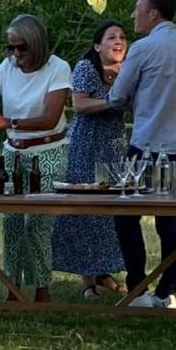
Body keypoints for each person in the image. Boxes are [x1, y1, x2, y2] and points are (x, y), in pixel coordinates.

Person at [107, 0, 176, 308]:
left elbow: (117, 98)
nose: (133, 15)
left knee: (125, 216)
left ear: (154, 13)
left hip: (145, 146)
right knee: (170, 220)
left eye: (138, 9)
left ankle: (137, 287)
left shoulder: (143, 48)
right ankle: (168, 290)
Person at [0, 14, 72, 303]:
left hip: (49, 150)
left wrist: (10, 122)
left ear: (37, 44)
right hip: (13, 152)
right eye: (11, 48)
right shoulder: (7, 66)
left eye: (22, 48)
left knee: (37, 222)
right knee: (12, 220)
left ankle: (42, 287)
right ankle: (12, 286)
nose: (16, 54)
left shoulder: (58, 68)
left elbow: (50, 117)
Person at [51, 21, 129, 298]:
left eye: (122, 37)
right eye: (111, 37)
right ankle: (87, 281)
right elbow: (80, 105)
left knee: (111, 211)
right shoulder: (86, 68)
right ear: (98, 46)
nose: (118, 41)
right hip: (85, 145)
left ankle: (105, 272)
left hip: (114, 145)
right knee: (85, 208)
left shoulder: (128, 71)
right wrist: (113, 102)